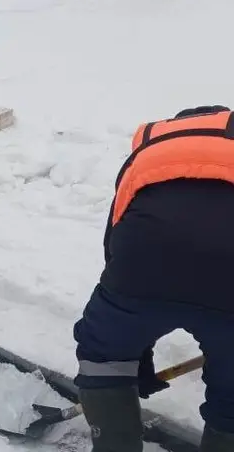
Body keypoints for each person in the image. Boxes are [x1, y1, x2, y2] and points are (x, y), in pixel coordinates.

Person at [72, 105, 234, 451]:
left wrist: (130, 355)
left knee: (104, 352)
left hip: (140, 268)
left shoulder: (150, 149)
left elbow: (114, 243)